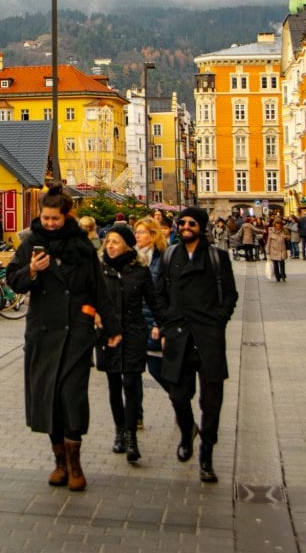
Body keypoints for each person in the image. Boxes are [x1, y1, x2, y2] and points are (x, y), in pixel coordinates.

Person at [6, 182, 121, 492]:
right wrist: (30, 271)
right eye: (45, 218)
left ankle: (75, 462)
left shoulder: (82, 248)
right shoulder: (30, 244)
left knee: (72, 397)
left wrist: (111, 329)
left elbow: (99, 289)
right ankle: (58, 461)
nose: (50, 224)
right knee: (48, 398)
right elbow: (13, 282)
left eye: (55, 219)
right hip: (43, 332)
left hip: (76, 333)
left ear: (66, 216)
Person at [157, 206, 238, 484]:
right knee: (178, 394)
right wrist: (167, 322)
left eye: (192, 223)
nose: (186, 226)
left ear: (201, 227)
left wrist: (218, 321)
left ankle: (207, 454)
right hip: (179, 334)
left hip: (208, 337)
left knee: (211, 401)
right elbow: (159, 294)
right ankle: (187, 430)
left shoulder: (217, 257)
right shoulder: (170, 256)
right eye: (183, 222)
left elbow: (230, 294)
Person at [96, 222, 163, 464]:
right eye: (108, 242)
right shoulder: (100, 270)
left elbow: (154, 301)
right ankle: (120, 432)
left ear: (126, 245)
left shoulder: (139, 270)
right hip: (107, 334)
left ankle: (132, 436)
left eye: (115, 242)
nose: (110, 246)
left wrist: (160, 325)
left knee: (131, 382)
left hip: (134, 332)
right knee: (114, 383)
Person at [133, 216, 170, 399]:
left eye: (141, 232)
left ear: (153, 234)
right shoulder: (132, 257)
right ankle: (135, 417)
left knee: (157, 369)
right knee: (132, 374)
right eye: (136, 232)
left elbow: (164, 295)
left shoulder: (162, 258)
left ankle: (180, 401)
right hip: (134, 323)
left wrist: (158, 323)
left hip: (152, 323)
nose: (137, 235)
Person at [266, 217, 288, 281]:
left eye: (279, 226)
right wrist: (267, 251)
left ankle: (283, 275)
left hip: (282, 249)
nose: (278, 227)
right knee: (275, 264)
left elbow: (289, 237)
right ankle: (277, 276)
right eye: (277, 226)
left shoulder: (284, 230)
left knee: (282, 263)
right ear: (274, 225)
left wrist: (286, 237)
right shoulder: (271, 231)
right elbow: (268, 241)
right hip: (274, 250)